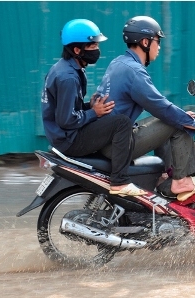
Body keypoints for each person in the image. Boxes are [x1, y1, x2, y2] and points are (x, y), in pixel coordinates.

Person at [96, 16, 195, 201]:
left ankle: (165, 176)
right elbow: (161, 106)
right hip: (117, 144)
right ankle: (182, 181)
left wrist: (181, 116)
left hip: (110, 138)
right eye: (158, 41)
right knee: (177, 124)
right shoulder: (134, 72)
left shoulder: (119, 63)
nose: (160, 46)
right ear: (145, 42)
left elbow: (161, 108)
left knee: (170, 120)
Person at [41, 19, 146, 196]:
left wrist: (90, 106)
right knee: (122, 123)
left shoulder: (65, 68)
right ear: (77, 50)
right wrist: (93, 113)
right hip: (69, 140)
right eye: (93, 46)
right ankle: (119, 181)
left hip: (62, 135)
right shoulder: (68, 77)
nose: (97, 50)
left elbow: (67, 108)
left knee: (111, 118)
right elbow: (66, 120)